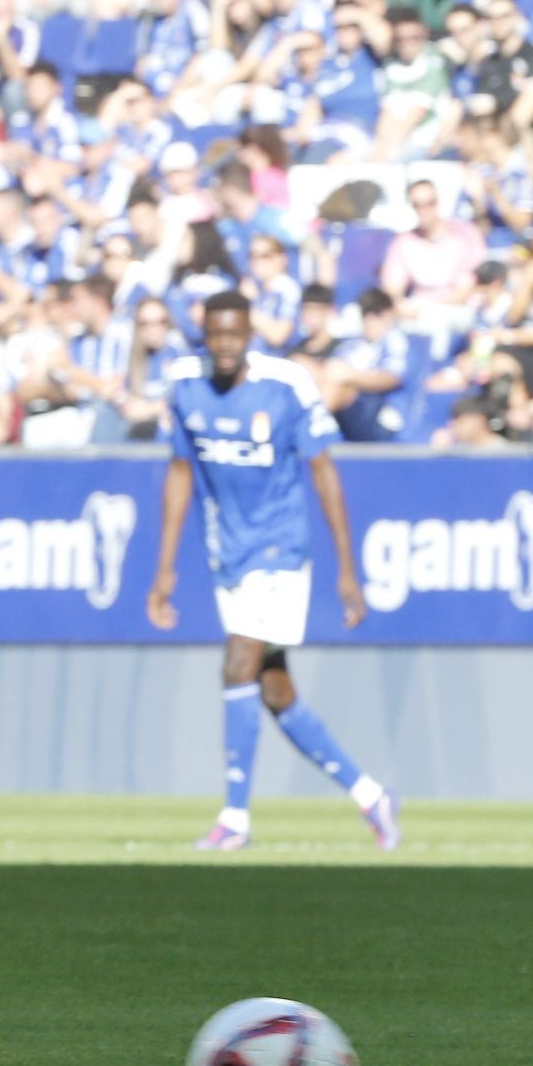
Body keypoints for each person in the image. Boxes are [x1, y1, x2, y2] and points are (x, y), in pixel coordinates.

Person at [148, 291, 402, 854]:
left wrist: (347, 570)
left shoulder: (284, 386)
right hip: (227, 554)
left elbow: (323, 472)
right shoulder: (186, 385)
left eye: (236, 334)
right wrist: (164, 570)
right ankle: (369, 795)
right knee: (274, 689)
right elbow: (179, 474)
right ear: (205, 334)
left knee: (238, 661)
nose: (226, 345)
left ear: (250, 334)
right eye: (216, 334)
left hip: (279, 548)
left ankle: (234, 819)